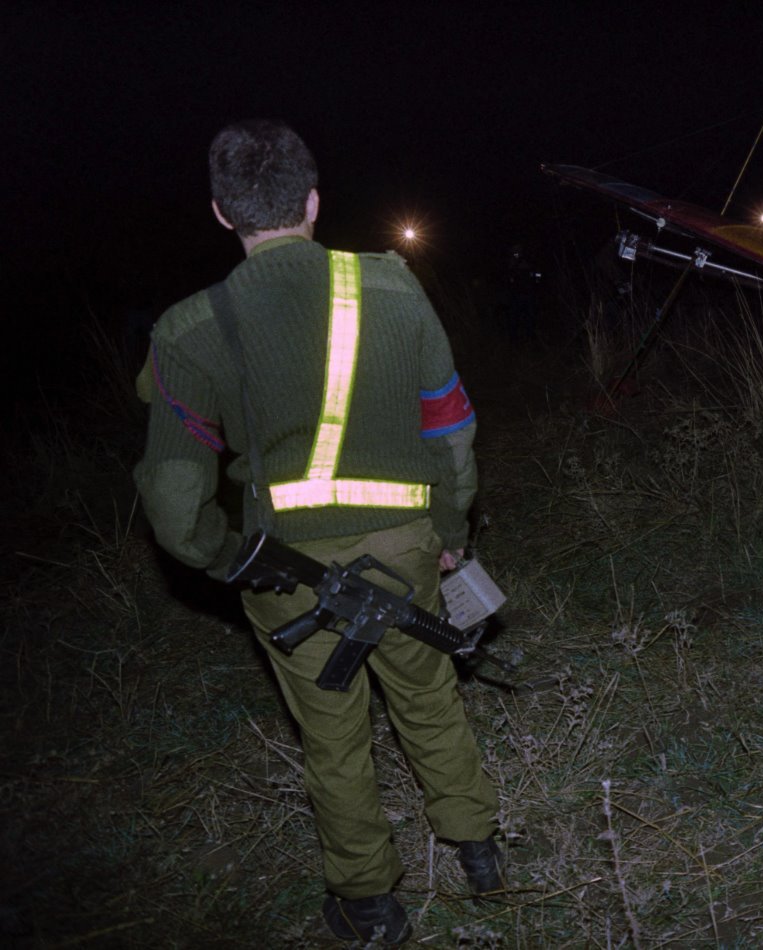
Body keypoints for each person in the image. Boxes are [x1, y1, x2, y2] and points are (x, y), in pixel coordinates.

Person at [133, 119, 503, 945]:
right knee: (431, 698)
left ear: (224, 214)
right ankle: (479, 851)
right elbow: (450, 427)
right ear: (311, 200)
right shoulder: (395, 290)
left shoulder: (187, 332)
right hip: (407, 542)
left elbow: (170, 494)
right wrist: (448, 531)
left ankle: (369, 903)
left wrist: (230, 560)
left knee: (333, 735)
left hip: (289, 570)